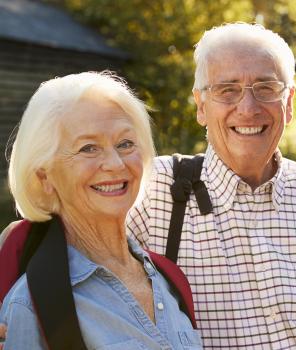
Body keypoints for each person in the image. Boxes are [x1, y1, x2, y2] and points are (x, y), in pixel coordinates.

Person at [126, 22, 296, 349]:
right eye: (227, 89)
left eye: (266, 87)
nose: (247, 108)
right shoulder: (150, 191)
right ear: (201, 105)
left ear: (288, 103)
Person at [0, 72, 201, 349]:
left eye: (125, 144)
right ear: (44, 177)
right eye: (88, 148)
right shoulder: (31, 305)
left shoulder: (170, 281)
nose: (116, 163)